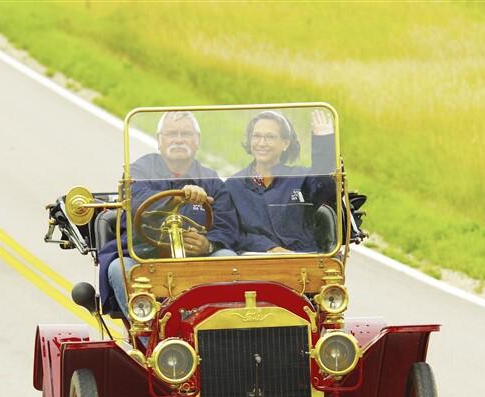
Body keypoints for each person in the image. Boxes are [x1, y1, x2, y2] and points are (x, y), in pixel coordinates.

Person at [99, 111, 237, 318]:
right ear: (159, 141)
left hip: (198, 260)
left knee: (228, 259)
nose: (179, 140)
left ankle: (219, 329)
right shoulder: (138, 171)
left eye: (186, 134)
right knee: (119, 268)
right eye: (172, 134)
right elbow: (136, 201)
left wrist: (208, 245)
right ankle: (147, 339)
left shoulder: (211, 180)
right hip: (144, 256)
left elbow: (227, 226)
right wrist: (177, 198)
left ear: (197, 141)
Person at [226, 110, 336, 253]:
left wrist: (323, 143)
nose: (261, 143)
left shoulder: (300, 177)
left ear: (285, 143)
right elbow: (231, 232)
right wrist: (270, 248)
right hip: (254, 263)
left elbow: (325, 189)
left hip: (302, 262)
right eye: (256, 136)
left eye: (270, 137)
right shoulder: (233, 185)